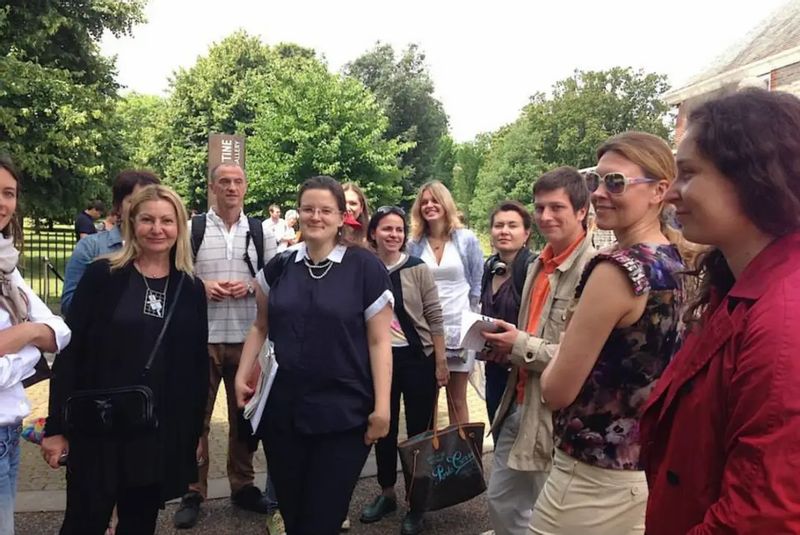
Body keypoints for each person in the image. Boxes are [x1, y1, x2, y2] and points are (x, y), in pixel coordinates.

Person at [640, 89, 800, 534]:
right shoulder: (741, 286)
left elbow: (761, 516)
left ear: (753, 176)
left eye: (688, 173)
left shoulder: (785, 315)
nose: (671, 192)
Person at [532, 132, 685, 534]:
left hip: (588, 480)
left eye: (615, 182)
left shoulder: (617, 270)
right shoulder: (677, 262)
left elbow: (556, 391)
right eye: (595, 181)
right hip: (643, 471)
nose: (599, 193)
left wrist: (562, 350)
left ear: (659, 191)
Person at [41, 185, 209, 535]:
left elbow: (195, 368)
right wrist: (56, 427)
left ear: (179, 226)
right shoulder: (103, 276)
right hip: (99, 425)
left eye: (166, 220)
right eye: (147, 219)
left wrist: (192, 433)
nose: (157, 229)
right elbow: (71, 354)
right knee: (84, 522)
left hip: (154, 431)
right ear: (132, 223)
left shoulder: (190, 287)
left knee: (138, 523)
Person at [235, 176, 393, 535]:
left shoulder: (365, 268)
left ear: (342, 217)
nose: (316, 216)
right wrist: (242, 372)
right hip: (284, 414)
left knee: (322, 519)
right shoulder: (282, 265)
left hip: (343, 414)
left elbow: (379, 342)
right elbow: (260, 325)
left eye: (326, 210)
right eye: (308, 209)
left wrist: (382, 407)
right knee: (293, 517)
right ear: (298, 214)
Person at [480, 170, 595, 535]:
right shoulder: (534, 265)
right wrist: (504, 347)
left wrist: (519, 346)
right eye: (541, 207)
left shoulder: (594, 270)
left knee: (548, 514)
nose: (546, 216)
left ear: (581, 211)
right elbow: (529, 334)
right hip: (515, 404)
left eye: (557, 207)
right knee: (501, 502)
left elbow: (584, 357)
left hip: (554, 416)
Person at [175, 163, 279, 530]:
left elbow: (273, 276)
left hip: (247, 338)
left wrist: (251, 285)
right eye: (224, 182)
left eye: (237, 182)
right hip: (200, 339)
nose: (231, 188)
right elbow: (177, 273)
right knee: (195, 417)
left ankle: (243, 485)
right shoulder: (193, 228)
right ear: (212, 187)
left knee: (245, 419)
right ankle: (192, 489)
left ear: (246, 187)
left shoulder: (261, 230)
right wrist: (201, 287)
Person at [359, 206, 449, 535]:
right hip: (378, 362)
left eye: (399, 229)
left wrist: (440, 361)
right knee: (383, 427)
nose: (394, 235)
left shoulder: (418, 268)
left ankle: (417, 503)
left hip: (417, 358)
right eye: (386, 229)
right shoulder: (364, 267)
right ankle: (386, 493)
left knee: (419, 434)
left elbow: (434, 315)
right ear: (373, 233)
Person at [0, 155, 71, 534]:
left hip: (8, 435)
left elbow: (59, 332)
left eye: (8, 193)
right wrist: (30, 351)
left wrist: (22, 336)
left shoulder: (7, 270)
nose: (2, 203)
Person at [407, 181, 483, 425]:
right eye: (425, 202)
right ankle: (431, 458)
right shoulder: (414, 244)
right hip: (427, 330)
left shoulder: (466, 240)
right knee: (428, 398)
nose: (429, 205)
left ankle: (463, 458)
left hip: (460, 327)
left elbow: (477, 284)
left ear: (445, 203)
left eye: (434, 200)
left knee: (457, 399)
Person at [61, 170, 161, 315]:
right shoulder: (91, 247)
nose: (143, 208)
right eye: (134, 201)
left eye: (148, 201)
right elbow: (69, 304)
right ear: (119, 206)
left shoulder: (163, 249)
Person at [479, 201, 533, 428]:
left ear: (526, 233)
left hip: (523, 373)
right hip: (494, 371)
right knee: (498, 431)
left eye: (513, 225)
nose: (504, 231)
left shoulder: (533, 269)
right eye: (499, 225)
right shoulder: (490, 268)